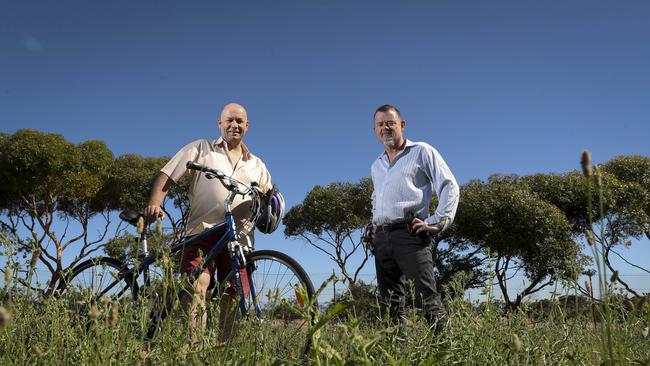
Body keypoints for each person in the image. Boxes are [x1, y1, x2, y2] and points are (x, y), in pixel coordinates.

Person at [144, 102, 272, 341]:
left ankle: (223, 353)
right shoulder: (201, 148)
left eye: (239, 121)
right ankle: (195, 350)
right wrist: (156, 202)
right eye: (229, 120)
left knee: (233, 295)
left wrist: (266, 196)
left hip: (240, 238)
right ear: (219, 123)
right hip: (202, 231)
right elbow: (168, 173)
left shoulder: (257, 164)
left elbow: (269, 199)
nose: (234, 125)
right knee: (197, 286)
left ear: (247, 126)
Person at [370, 104, 459, 333]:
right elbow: (376, 196)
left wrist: (438, 220)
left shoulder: (422, 151)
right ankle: (396, 356)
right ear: (375, 131)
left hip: (410, 234)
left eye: (390, 122)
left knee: (427, 300)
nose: (385, 128)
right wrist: (374, 222)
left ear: (402, 125)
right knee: (390, 306)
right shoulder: (376, 165)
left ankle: (445, 354)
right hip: (381, 239)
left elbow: (449, 185)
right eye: (380, 124)